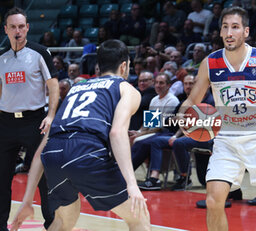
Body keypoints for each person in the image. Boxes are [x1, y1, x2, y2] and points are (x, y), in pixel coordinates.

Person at [10, 39, 151, 231]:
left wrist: (27, 200)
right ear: (125, 66)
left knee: (63, 221)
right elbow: (117, 132)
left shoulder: (76, 88)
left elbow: (42, 148)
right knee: (139, 217)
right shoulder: (126, 88)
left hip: (54, 153)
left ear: (98, 66)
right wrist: (132, 184)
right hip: (86, 151)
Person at [180, 7, 256, 231]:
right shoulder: (210, 64)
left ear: (246, 32)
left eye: (234, 27)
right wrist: (181, 116)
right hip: (227, 140)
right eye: (225, 27)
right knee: (213, 200)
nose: (229, 32)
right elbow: (192, 101)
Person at [0, 7, 59, 231]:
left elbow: (53, 86)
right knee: (2, 178)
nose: (18, 31)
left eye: (21, 26)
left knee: (44, 177)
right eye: (13, 27)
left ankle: (51, 223)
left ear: (27, 28)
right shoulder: (1, 58)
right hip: (5, 122)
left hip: (35, 121)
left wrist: (51, 115)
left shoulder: (40, 52)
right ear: (6, 29)